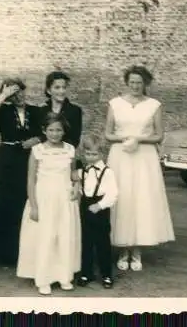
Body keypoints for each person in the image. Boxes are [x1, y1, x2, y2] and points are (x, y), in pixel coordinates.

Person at [104, 65, 175, 272]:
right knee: (122, 198)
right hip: (120, 155)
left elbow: (158, 135)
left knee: (140, 199)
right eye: (132, 82)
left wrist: (139, 139)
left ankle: (136, 250)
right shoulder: (115, 104)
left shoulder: (154, 105)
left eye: (140, 83)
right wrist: (125, 139)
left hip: (144, 157)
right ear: (127, 83)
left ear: (145, 84)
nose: (135, 86)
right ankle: (122, 249)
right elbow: (108, 134)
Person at [16, 112, 81, 295]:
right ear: (44, 130)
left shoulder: (69, 149)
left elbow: (73, 174)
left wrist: (78, 185)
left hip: (65, 198)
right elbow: (30, 180)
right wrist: (34, 206)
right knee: (45, 237)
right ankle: (43, 278)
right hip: (43, 198)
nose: (54, 133)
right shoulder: (37, 151)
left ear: (64, 131)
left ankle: (64, 276)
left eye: (58, 130)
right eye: (51, 130)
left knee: (63, 236)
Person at [0, 78, 41, 265]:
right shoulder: (4, 110)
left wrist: (36, 139)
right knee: (0, 200)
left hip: (28, 158)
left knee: (22, 200)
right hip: (6, 159)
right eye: (14, 94)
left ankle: (20, 252)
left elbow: (47, 131)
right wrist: (3, 96)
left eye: (20, 91)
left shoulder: (36, 111)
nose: (19, 96)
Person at [76, 134, 118, 289]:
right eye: (88, 154)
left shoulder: (108, 172)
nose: (91, 157)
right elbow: (78, 187)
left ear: (102, 154)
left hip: (100, 209)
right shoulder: (83, 171)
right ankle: (86, 273)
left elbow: (113, 193)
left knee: (102, 243)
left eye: (94, 154)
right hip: (85, 208)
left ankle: (106, 275)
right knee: (86, 242)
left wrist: (100, 205)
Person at [37, 71, 83, 149]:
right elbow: (38, 134)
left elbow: (75, 139)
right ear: (49, 90)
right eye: (57, 87)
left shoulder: (75, 111)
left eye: (64, 87)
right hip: (45, 153)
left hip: (64, 153)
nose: (61, 91)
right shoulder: (41, 110)